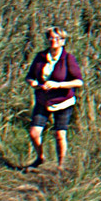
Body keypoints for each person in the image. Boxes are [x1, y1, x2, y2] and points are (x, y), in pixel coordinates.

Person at [25, 27, 85, 169]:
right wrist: (33, 83)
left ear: (63, 41)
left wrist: (58, 85)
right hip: (43, 99)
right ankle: (40, 158)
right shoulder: (40, 57)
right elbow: (29, 76)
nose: (54, 41)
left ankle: (61, 165)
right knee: (34, 133)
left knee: (59, 134)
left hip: (63, 101)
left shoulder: (68, 58)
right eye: (51, 38)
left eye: (58, 39)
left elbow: (78, 81)